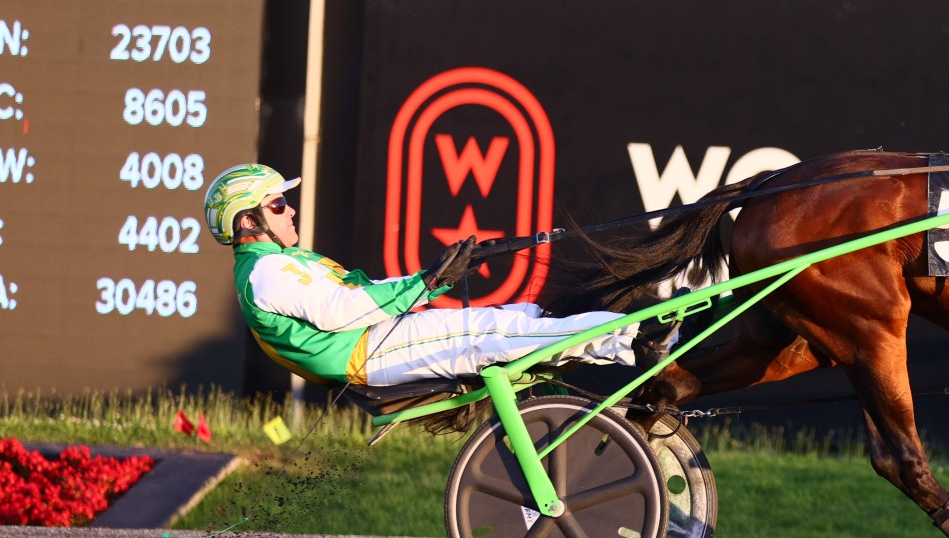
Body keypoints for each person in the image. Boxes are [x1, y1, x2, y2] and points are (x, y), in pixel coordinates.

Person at [205, 163, 645, 387]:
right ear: (247, 222)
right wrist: (427, 283)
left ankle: (625, 342)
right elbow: (339, 311)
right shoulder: (266, 272)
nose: (290, 209)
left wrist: (439, 276)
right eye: (277, 204)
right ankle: (637, 342)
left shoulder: (281, 264)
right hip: (369, 352)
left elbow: (363, 292)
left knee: (520, 316)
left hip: (377, 341)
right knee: (496, 333)